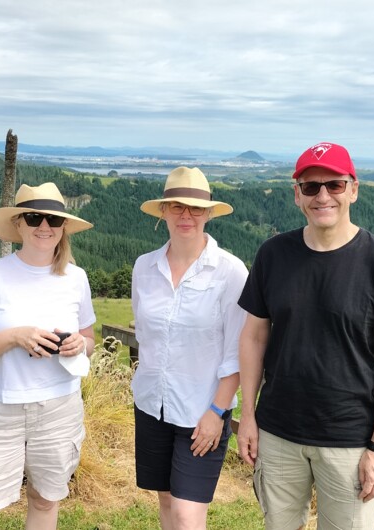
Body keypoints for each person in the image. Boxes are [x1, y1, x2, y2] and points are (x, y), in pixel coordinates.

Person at [236, 142, 374, 530]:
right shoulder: (273, 254)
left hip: (350, 439)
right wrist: (247, 417)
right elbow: (253, 338)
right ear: (296, 194)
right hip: (277, 431)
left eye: (334, 185)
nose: (323, 196)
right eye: (311, 186)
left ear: (353, 189)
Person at [0, 182, 96, 530]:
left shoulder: (76, 279)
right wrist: (15, 337)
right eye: (33, 217)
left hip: (60, 408)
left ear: (63, 227)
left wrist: (78, 344)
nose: (43, 227)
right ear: (18, 224)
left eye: (52, 219)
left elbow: (89, 340)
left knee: (45, 501)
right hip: (0, 410)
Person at [131, 166, 249, 530]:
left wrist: (217, 411)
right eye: (177, 206)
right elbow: (146, 337)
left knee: (187, 514)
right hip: (152, 403)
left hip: (203, 410)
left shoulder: (230, 272)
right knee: (166, 499)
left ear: (209, 214)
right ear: (163, 211)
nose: (186, 215)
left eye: (196, 208)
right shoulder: (144, 267)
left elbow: (238, 352)